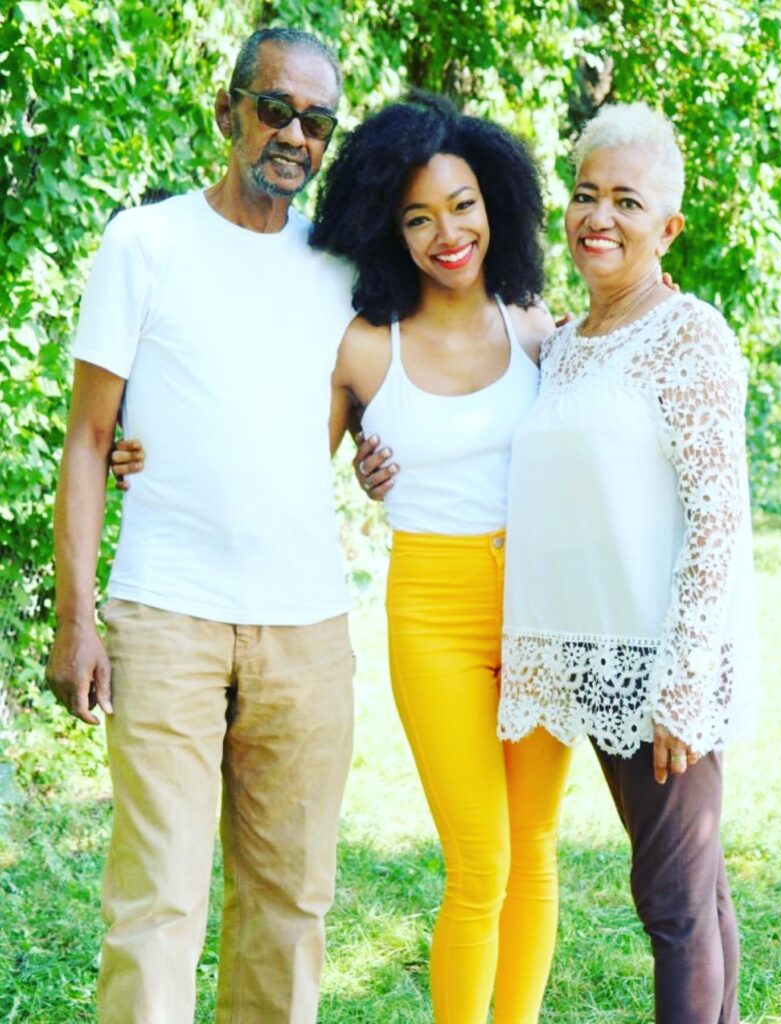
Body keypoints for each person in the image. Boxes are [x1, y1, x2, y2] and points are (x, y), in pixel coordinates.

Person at [115, 93, 573, 1024]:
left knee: (536, 848)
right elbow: (279, 452)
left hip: (541, 603)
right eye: (417, 217)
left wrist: (661, 309)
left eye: (463, 204)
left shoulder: (535, 325)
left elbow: (605, 437)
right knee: (481, 856)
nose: (447, 232)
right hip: (432, 608)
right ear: (387, 230)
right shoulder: (366, 345)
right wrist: (143, 440)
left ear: (497, 206)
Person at [46, 28, 357, 1024]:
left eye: (318, 121)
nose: (294, 135)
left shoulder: (346, 268)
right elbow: (91, 441)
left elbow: (385, 395)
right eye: (276, 108)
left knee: (290, 905)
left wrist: (381, 444)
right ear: (228, 111)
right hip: (166, 613)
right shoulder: (146, 243)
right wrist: (76, 620)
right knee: (155, 905)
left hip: (307, 629)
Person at [499, 102, 758, 1024]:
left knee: (675, 905)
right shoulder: (565, 344)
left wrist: (684, 683)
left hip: (663, 665)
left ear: (668, 227)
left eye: (626, 201)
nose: (597, 217)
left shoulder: (691, 337)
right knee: (694, 889)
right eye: (583, 194)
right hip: (592, 653)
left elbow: (720, 517)